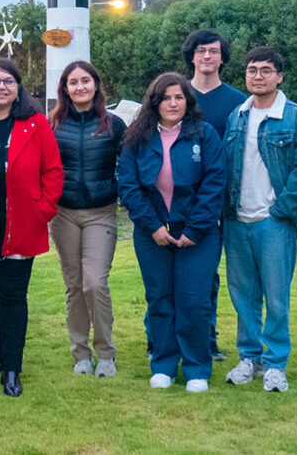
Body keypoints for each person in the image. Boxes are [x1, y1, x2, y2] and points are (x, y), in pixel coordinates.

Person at [0, 58, 64, 397]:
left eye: (9, 81)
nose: (1, 86)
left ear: (19, 88)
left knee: (11, 296)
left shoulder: (35, 124)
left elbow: (53, 171)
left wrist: (42, 210)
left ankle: (13, 369)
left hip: (20, 226)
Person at [118, 72, 226, 393]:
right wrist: (152, 227)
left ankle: (196, 368)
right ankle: (164, 364)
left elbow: (214, 183)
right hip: (152, 233)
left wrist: (194, 229)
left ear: (187, 101)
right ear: (155, 102)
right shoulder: (137, 137)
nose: (173, 103)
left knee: (193, 301)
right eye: (166, 98)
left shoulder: (205, 135)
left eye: (179, 97)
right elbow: (129, 186)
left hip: (198, 234)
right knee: (160, 300)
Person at [222, 46, 297, 393]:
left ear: (279, 76)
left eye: (266, 70)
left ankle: (276, 362)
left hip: (274, 222)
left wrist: (281, 209)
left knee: (277, 296)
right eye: (252, 70)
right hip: (237, 220)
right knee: (243, 294)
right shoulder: (237, 115)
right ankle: (250, 357)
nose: (258, 76)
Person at [48, 61, 126, 377]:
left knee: (95, 282)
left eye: (85, 81)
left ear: (96, 84)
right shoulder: (52, 124)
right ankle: (81, 354)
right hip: (63, 214)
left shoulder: (114, 124)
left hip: (100, 213)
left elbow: (131, 164)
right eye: (73, 82)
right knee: (74, 285)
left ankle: (105, 354)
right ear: (65, 88)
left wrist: (117, 190)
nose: (80, 87)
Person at [182, 29, 247, 362]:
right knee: (167, 274)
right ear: (191, 56)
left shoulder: (237, 102)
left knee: (208, 274)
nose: (207, 56)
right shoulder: (176, 95)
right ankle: (159, 336)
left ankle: (206, 337)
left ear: (222, 58)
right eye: (201, 51)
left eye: (214, 51)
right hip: (177, 201)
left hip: (219, 202)